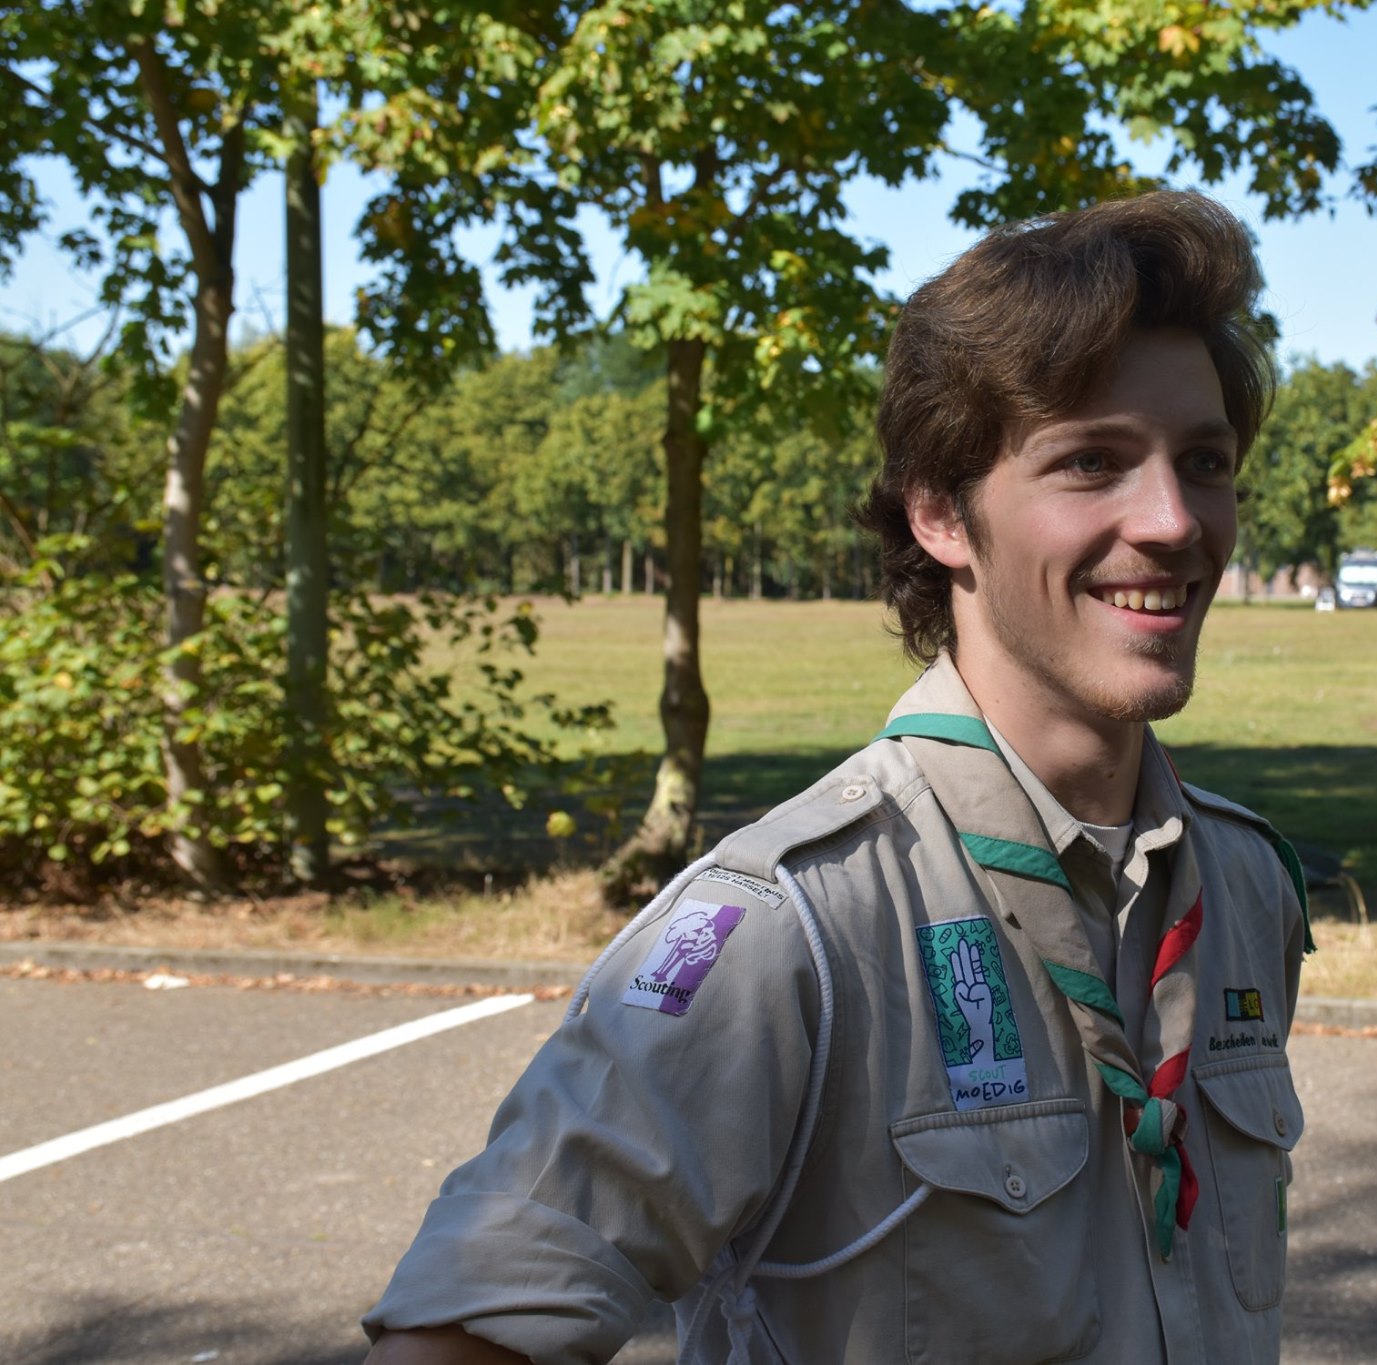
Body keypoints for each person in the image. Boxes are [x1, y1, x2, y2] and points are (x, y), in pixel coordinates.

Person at [363, 189, 1312, 1365]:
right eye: (1090, 464)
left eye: (1203, 462)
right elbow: (466, 1331)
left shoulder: (1242, 890)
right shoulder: (789, 923)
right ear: (939, 515)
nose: (1172, 522)